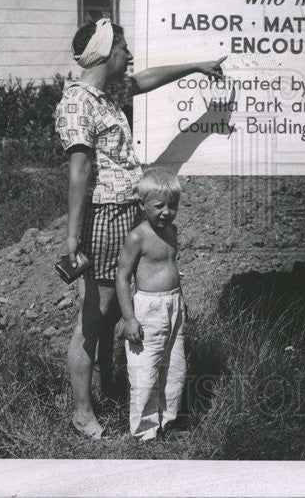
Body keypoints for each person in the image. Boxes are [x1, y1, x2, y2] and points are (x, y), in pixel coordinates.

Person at [54, 18, 225, 439]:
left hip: (125, 211)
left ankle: (106, 391)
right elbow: (79, 171)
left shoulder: (106, 97)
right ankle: (82, 413)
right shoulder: (78, 102)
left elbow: (146, 80)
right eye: (123, 49)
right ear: (104, 53)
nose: (129, 57)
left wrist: (197, 65)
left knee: (113, 311)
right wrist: (73, 238)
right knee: (94, 318)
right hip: (104, 217)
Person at [116, 167, 187, 441]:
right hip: (148, 309)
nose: (166, 212)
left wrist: (181, 305)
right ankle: (144, 431)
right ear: (142, 205)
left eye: (173, 206)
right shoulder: (138, 237)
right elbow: (122, 278)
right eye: (159, 206)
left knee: (174, 367)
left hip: (173, 306)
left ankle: (167, 422)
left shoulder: (172, 232)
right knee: (145, 369)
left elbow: (171, 267)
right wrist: (129, 318)